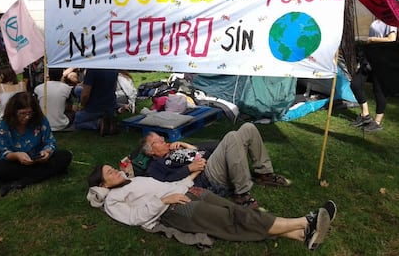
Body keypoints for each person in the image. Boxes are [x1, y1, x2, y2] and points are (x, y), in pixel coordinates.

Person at [87, 164, 336, 251]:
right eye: (110, 173)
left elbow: (167, 185)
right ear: (103, 184)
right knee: (226, 220)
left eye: (113, 168)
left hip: (186, 192)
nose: (116, 171)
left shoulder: (135, 180)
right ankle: (305, 221)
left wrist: (192, 176)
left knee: (238, 212)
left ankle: (301, 236)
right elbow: (133, 218)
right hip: (172, 211)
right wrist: (163, 202)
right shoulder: (112, 201)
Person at [139, 123, 291, 209]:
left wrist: (189, 146)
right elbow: (165, 183)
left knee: (248, 128)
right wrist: (189, 168)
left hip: (217, 165)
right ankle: (241, 193)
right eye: (158, 140)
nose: (163, 140)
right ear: (151, 151)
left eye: (161, 137)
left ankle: (263, 174)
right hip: (208, 178)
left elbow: (215, 146)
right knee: (232, 136)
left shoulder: (178, 149)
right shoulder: (155, 166)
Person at [0, 92, 72, 196]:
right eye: (22, 113)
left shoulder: (40, 120)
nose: (27, 117)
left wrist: (46, 151)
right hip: (17, 162)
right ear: (13, 112)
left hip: (38, 159)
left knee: (65, 155)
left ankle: (23, 181)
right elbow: (4, 151)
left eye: (30, 113)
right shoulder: (3, 124)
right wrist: (17, 155)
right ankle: (41, 175)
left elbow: (50, 142)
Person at [350, 19, 397, 132]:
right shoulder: (376, 20)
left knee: (379, 90)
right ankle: (365, 115)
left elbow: (392, 39)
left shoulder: (390, 21)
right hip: (370, 58)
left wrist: (372, 39)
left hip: (383, 60)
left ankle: (377, 122)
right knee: (355, 84)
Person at [74, 68, 119, 136]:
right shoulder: (114, 68)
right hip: (110, 106)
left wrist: (82, 106)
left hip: (94, 108)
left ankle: (98, 124)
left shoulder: (92, 70)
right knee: (78, 90)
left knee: (76, 122)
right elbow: (114, 87)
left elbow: (85, 95)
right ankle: (108, 120)